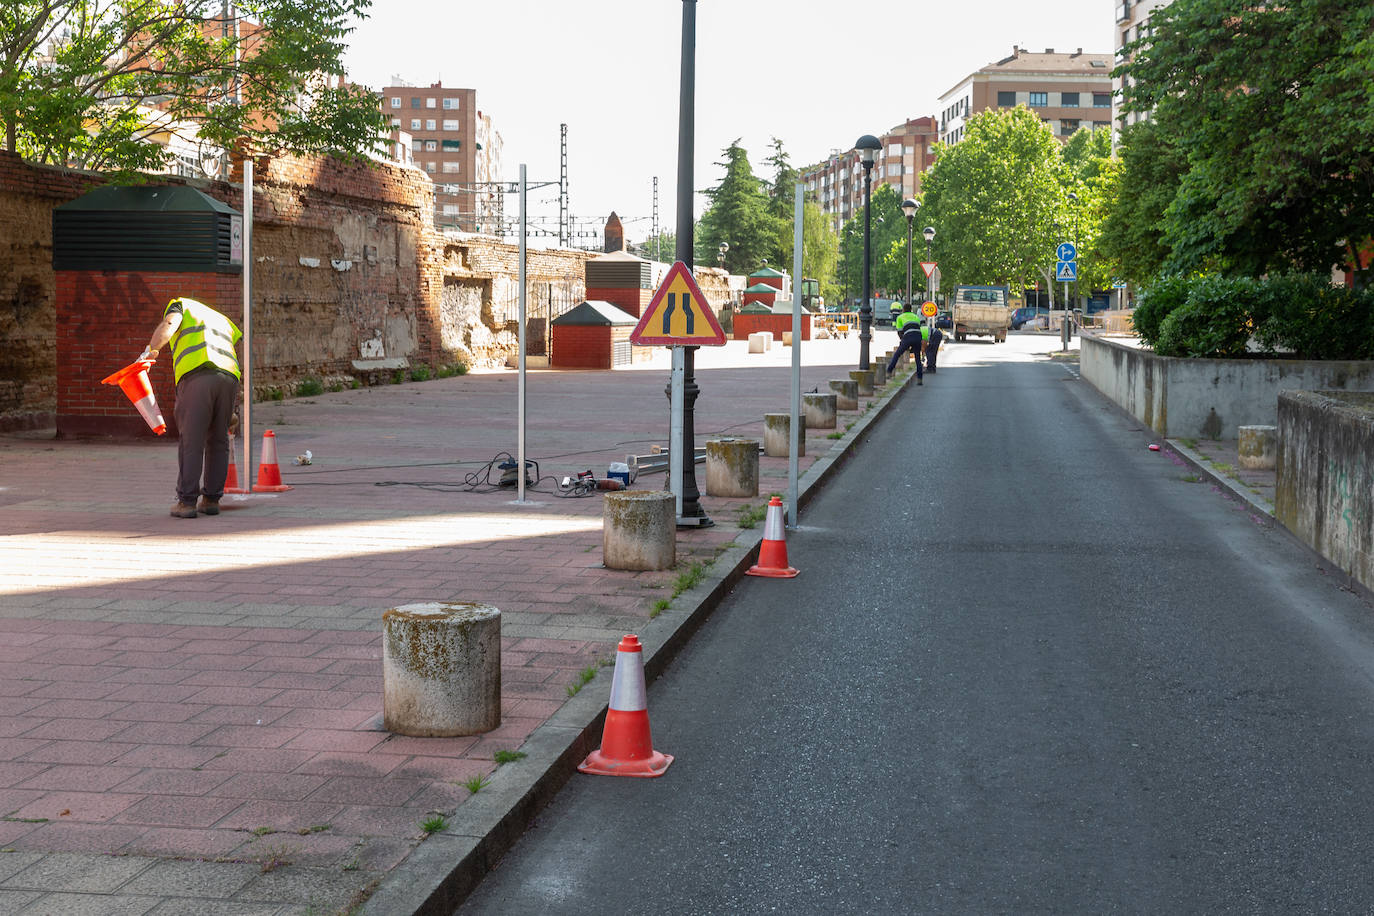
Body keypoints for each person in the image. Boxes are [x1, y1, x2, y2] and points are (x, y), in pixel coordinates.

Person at [143, 297, 243, 518]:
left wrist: (150, 350)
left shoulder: (180, 305)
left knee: (192, 440)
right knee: (219, 440)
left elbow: (168, 326)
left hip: (198, 375)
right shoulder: (221, 319)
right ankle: (211, 500)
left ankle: (187, 502)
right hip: (228, 377)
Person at [886, 303, 924, 384]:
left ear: (903, 309)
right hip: (918, 337)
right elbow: (917, 328)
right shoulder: (916, 317)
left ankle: (889, 371)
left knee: (897, 354)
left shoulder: (900, 317)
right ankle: (920, 379)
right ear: (911, 310)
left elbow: (900, 332)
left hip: (908, 337)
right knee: (917, 358)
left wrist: (903, 343)